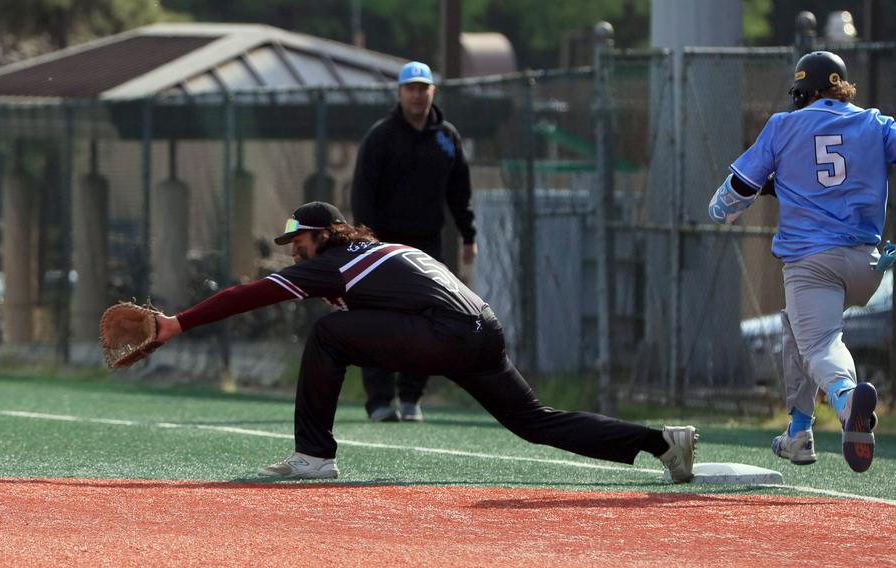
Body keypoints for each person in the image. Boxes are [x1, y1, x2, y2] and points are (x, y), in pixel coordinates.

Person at [152, 201, 698, 483]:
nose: (294, 251)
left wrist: (178, 322)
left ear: (323, 236)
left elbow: (248, 294)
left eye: (298, 240)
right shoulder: (389, 250)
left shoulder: (333, 264)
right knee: (536, 422)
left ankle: (314, 456)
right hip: (482, 328)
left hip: (447, 334)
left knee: (327, 334)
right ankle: (662, 443)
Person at [707, 51, 893, 473]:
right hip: (869, 265)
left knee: (820, 344)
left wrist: (724, 208)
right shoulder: (875, 123)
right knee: (797, 329)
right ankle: (799, 431)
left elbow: (735, 193)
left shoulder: (783, 125)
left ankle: (848, 404)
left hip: (812, 263)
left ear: (802, 93)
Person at [350, 61, 478, 423]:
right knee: (379, 320)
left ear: (432, 92)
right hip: (383, 246)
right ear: (400, 93)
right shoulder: (381, 136)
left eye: (424, 88)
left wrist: (469, 235)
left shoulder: (446, 137)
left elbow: (459, 192)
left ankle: (410, 398)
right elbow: (363, 192)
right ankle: (379, 400)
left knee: (426, 321)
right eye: (411, 88)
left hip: (427, 245)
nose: (417, 95)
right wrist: (366, 241)